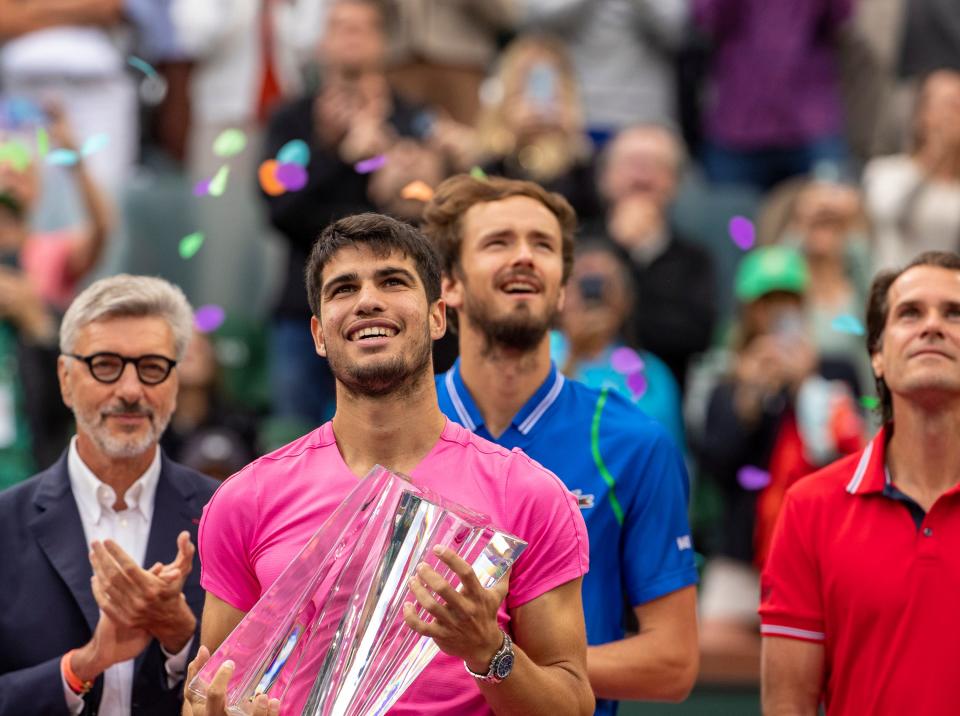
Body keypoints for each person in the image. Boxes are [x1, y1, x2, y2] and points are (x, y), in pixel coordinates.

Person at [186, 213, 594, 715]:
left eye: (392, 281)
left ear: (438, 317)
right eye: (343, 288)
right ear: (317, 334)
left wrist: (487, 649)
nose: (367, 300)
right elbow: (211, 696)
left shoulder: (528, 494)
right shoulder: (245, 498)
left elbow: (573, 706)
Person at [422, 175, 699, 714]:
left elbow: (673, 662)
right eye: (498, 242)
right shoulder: (393, 428)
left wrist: (501, 662)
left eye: (542, 245)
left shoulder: (633, 442)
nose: (524, 256)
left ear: (563, 289)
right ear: (449, 285)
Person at [0, 274, 218, 715]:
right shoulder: (5, 525)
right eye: (105, 365)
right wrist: (81, 666)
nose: (131, 390)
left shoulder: (224, 513)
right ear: (64, 378)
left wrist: (181, 642)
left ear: (175, 381)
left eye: (153, 367)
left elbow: (264, 679)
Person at [760, 250, 960, 715]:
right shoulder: (809, 507)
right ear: (877, 356)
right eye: (911, 313)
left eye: (954, 313)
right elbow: (788, 705)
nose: (933, 326)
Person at [693, 245, 864, 684]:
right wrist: (747, 397)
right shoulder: (725, 377)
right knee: (714, 659)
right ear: (748, 311)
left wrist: (809, 383)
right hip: (743, 552)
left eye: (787, 302)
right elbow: (716, 468)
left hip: (823, 548)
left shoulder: (835, 370)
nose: (777, 314)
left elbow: (842, 454)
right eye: (766, 304)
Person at [261, 0, 434, 427]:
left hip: (390, 313)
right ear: (322, 41)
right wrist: (334, 154)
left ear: (382, 41)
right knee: (294, 445)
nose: (352, 36)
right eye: (340, 27)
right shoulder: (293, 120)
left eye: (364, 27)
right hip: (303, 312)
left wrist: (397, 167)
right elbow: (278, 209)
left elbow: (427, 218)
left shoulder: (413, 119)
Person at [591, 124, 717, 391]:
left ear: (674, 183)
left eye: (655, 164)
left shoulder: (695, 258)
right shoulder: (584, 248)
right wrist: (618, 250)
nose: (641, 175)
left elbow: (694, 337)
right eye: (631, 163)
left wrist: (639, 254)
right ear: (605, 178)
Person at [551, 240, 685, 450]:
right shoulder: (537, 353)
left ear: (626, 299)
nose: (593, 296)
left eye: (605, 284)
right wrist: (572, 357)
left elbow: (662, 458)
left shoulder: (651, 375)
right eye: (583, 283)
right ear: (561, 294)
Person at [863, 69, 960, 271]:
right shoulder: (885, 172)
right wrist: (937, 152)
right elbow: (889, 211)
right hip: (896, 288)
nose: (954, 115)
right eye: (949, 104)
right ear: (922, 114)